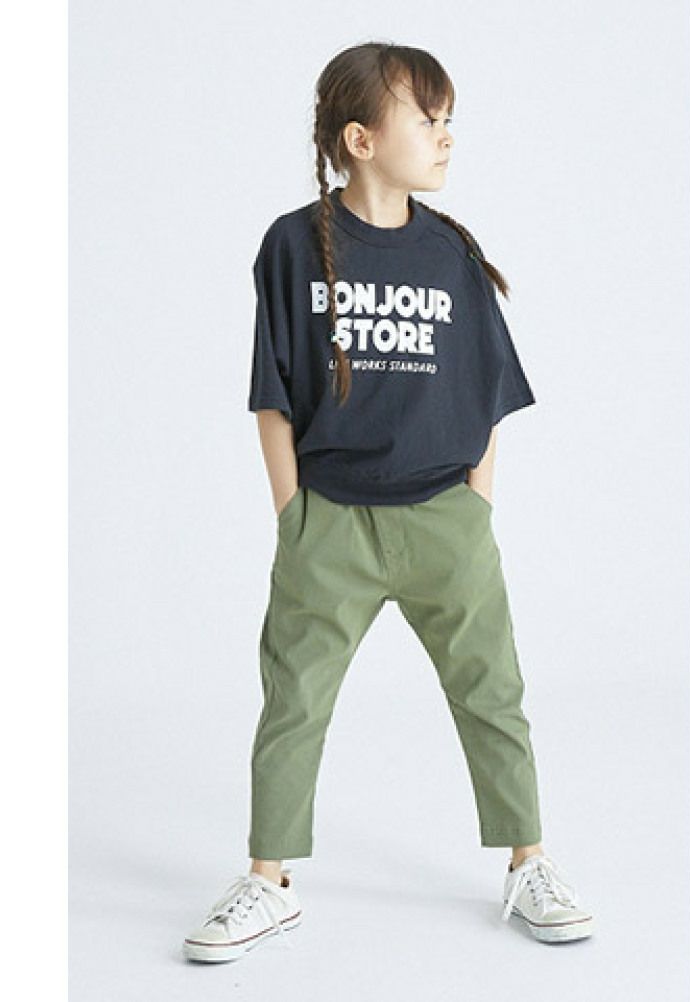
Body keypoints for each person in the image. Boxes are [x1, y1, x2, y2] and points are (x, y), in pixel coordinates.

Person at [183, 42, 594, 964]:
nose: (446, 137)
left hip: (446, 518)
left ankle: (529, 862)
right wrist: (293, 515)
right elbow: (272, 390)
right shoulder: (292, 245)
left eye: (450, 121)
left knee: (493, 693)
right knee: (293, 699)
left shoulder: (452, 253)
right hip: (329, 521)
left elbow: (488, 394)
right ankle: (268, 881)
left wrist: (475, 508)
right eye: (427, 118)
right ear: (360, 139)